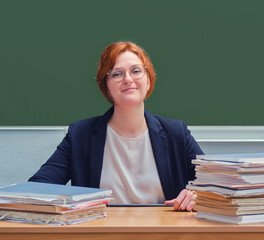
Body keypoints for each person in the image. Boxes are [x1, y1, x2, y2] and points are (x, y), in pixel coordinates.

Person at [29, 41, 204, 211]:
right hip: (102, 233)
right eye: (116, 74)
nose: (128, 79)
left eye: (136, 71)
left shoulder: (176, 133)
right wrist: (72, 202)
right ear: (106, 87)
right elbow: (38, 187)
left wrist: (196, 195)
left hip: (165, 234)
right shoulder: (80, 135)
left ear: (148, 81)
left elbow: (219, 186)